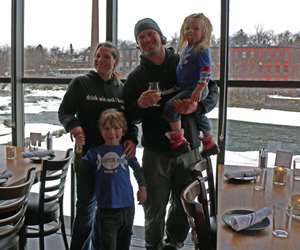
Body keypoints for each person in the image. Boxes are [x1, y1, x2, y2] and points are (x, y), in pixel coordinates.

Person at [123, 18, 219, 250]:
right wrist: (140, 104)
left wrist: (198, 106)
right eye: (141, 37)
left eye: (150, 33)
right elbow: (128, 117)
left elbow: (212, 89)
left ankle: (173, 244)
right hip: (156, 152)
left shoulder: (183, 59)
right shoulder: (136, 77)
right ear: (138, 45)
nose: (147, 39)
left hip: (189, 148)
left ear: (160, 35)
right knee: (154, 206)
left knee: (183, 203)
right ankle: (152, 245)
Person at [58, 42, 138, 250]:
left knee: (107, 209)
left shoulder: (122, 89)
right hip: (86, 155)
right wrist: (74, 127)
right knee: (85, 209)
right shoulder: (81, 83)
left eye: (107, 57)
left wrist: (132, 139)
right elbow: (65, 112)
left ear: (115, 61)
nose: (101, 60)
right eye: (98, 56)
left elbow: (130, 122)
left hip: (113, 159)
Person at [81, 108, 147, 250]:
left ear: (123, 130)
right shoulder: (94, 153)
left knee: (124, 244)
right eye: (107, 128)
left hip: (128, 208)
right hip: (106, 210)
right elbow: (82, 167)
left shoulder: (126, 151)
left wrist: (142, 188)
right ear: (100, 130)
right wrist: (78, 150)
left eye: (116, 128)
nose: (111, 132)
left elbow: (138, 170)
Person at [164, 13, 218, 156]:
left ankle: (178, 138)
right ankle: (208, 140)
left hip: (195, 88)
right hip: (188, 87)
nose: (190, 31)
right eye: (187, 28)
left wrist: (199, 88)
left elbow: (206, 71)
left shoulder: (201, 49)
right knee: (198, 115)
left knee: (171, 106)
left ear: (204, 32)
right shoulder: (187, 48)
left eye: (195, 28)